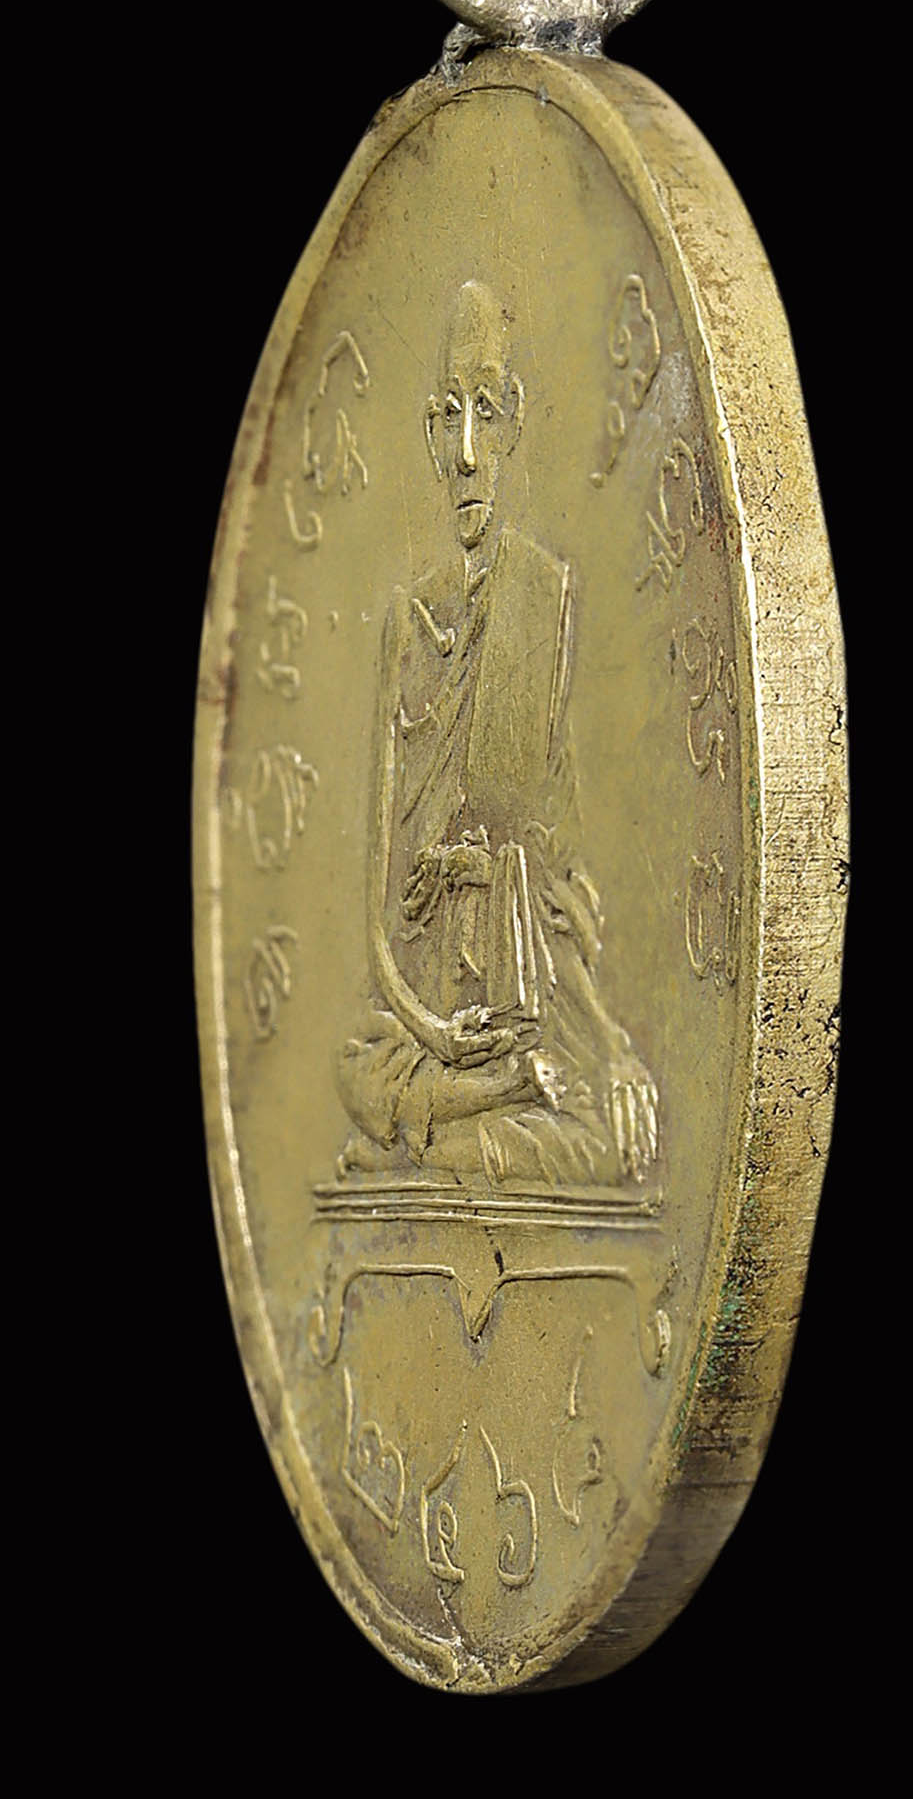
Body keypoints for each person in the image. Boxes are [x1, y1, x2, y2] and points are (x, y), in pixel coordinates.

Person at [336, 281, 659, 1188]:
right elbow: (374, 922)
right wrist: (434, 1032)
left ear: (515, 419)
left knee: (605, 1141)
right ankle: (472, 1109)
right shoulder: (408, 625)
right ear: (430, 434)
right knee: (356, 1071)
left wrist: (613, 1045)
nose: (469, 452)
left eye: (487, 411)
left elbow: (555, 881)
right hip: (420, 1017)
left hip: (519, 1000)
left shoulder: (538, 600)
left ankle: (444, 1132)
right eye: (450, 417)